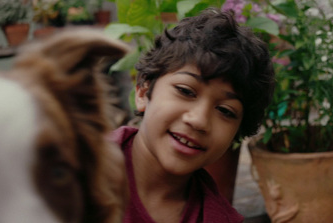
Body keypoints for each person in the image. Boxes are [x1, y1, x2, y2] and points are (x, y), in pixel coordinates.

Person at [111, 8, 275, 223]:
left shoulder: (218, 218)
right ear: (143, 91)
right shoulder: (73, 171)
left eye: (225, 111)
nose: (199, 120)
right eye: (185, 91)